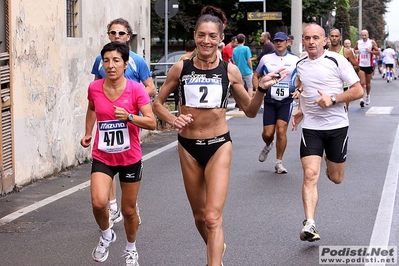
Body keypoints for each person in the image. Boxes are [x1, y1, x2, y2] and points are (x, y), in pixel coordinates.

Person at [152, 5, 287, 265]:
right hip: (188, 147)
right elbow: (157, 104)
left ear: (221, 38)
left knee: (213, 218)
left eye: (212, 36)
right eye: (202, 35)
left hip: (218, 146)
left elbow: (249, 111)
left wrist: (261, 90)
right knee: (200, 218)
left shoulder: (229, 71)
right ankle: (217, 248)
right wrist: (172, 118)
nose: (206, 41)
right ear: (195, 35)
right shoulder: (181, 69)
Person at [81, 42, 156, 265]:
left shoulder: (136, 89)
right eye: (106, 61)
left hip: (129, 157)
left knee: (129, 210)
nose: (110, 65)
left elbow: (152, 122)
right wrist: (87, 132)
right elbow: (92, 109)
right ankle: (107, 235)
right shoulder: (94, 88)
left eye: (116, 61)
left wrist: (130, 117)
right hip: (103, 155)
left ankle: (131, 248)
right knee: (98, 203)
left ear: (125, 64)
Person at [291, 24, 363, 242]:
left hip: (337, 127)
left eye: (315, 38)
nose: (311, 41)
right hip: (312, 128)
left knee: (336, 177)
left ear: (324, 41)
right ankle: (310, 224)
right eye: (307, 38)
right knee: (310, 174)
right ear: (302, 41)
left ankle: (330, 162)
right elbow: (302, 83)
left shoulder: (337, 60)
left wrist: (332, 99)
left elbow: (357, 90)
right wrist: (301, 108)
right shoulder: (301, 63)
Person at [91, 18, 156, 226]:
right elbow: (94, 93)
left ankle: (128, 204)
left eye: (121, 33)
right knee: (108, 156)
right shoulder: (100, 60)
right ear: (108, 35)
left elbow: (151, 88)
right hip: (107, 122)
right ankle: (112, 206)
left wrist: (131, 99)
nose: (117, 37)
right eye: (113, 33)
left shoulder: (137, 61)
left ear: (128, 36)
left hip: (129, 121)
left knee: (124, 156)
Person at [253, 31, 299, 174]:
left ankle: (279, 162)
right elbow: (256, 75)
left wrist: (300, 90)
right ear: (274, 43)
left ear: (287, 42)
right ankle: (268, 145)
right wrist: (258, 90)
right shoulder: (266, 59)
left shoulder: (295, 60)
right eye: (276, 41)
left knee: (281, 130)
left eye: (282, 41)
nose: (279, 43)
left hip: (286, 100)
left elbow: (302, 77)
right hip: (270, 100)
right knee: (268, 133)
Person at [328, 29, 360, 110]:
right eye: (332, 36)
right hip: (330, 85)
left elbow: (356, 66)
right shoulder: (326, 52)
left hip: (344, 85)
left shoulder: (346, 52)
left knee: (344, 109)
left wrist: (346, 71)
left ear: (340, 38)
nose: (334, 38)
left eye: (336, 36)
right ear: (329, 38)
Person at [354, 29, 380, 107]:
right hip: (361, 64)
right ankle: (361, 99)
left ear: (368, 35)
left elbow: (378, 52)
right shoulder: (358, 42)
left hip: (369, 64)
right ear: (361, 35)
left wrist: (371, 52)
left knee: (368, 83)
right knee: (362, 82)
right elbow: (355, 49)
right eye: (362, 35)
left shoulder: (371, 42)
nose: (364, 37)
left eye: (365, 35)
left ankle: (368, 96)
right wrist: (356, 51)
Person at [232, 33, 254, 98]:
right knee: (250, 86)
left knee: (242, 87)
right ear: (244, 40)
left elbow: (234, 62)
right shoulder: (246, 48)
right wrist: (251, 68)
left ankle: (243, 101)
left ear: (237, 40)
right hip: (247, 71)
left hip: (239, 71)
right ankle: (249, 100)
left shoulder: (234, 49)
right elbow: (249, 60)